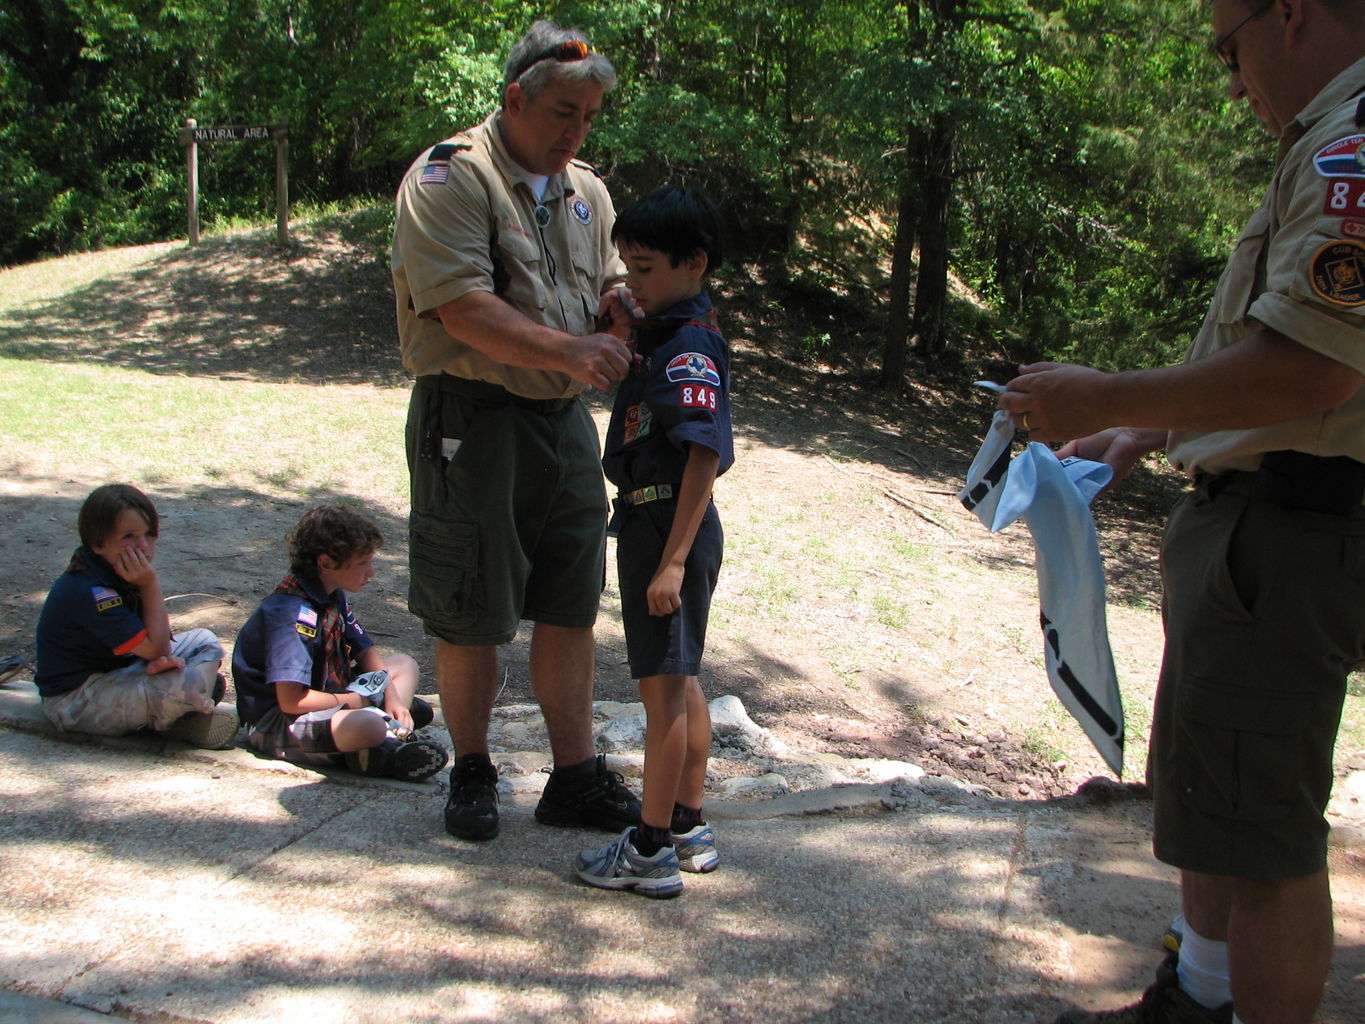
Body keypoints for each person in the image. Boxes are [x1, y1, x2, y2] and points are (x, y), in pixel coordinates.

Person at [998, 3, 1365, 1022]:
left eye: (1227, 43)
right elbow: (1270, 356)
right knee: (1217, 803)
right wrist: (1148, 434)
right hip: (1263, 517)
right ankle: (1197, 994)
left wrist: (1108, 395)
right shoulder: (1322, 141)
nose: (1228, 77)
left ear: (1290, 15)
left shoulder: (1353, 145)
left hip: (1290, 532)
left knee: (1267, 841)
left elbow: (1315, 369)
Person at [391, 20, 642, 840]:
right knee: (471, 606)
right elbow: (463, 309)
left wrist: (623, 314)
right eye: (563, 113)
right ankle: (471, 770)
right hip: (472, 416)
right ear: (513, 99)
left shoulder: (587, 193)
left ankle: (573, 778)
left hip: (562, 420)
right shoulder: (448, 179)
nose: (575, 133)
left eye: (588, 118)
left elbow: (611, 286)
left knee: (570, 602)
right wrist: (576, 348)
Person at [574, 186, 732, 898]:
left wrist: (670, 560)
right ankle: (689, 823)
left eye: (642, 270)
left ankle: (649, 849)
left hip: (666, 523)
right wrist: (623, 321)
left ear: (693, 263)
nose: (631, 282)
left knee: (662, 692)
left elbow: (703, 453)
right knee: (682, 678)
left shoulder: (691, 344)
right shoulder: (668, 332)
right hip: (652, 516)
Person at [232, 505, 448, 782]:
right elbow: (290, 701)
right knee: (367, 725)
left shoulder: (331, 593)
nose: (371, 572)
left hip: (331, 696)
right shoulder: (291, 615)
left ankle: (378, 734)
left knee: (404, 665)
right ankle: (389, 750)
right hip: (278, 723)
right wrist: (352, 701)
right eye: (362, 563)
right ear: (326, 563)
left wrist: (393, 698)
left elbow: (365, 649)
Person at [34, 483, 236, 748]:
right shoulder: (91, 591)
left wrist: (161, 659)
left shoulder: (116, 571)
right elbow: (157, 647)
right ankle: (191, 708)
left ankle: (187, 707)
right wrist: (150, 583)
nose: (143, 546)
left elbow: (159, 648)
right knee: (187, 683)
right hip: (76, 699)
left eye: (149, 534)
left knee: (204, 640)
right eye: (129, 536)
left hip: (120, 671)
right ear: (98, 542)